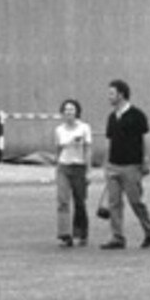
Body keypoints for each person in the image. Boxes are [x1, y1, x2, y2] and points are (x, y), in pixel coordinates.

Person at [101, 79, 150, 250]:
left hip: (131, 166)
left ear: (121, 94)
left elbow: (146, 137)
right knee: (114, 203)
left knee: (135, 201)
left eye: (112, 93)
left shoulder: (137, 115)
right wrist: (105, 163)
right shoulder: (112, 117)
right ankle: (117, 237)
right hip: (113, 165)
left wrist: (147, 159)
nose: (109, 96)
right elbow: (109, 141)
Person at [54, 98, 92, 248]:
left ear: (77, 112)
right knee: (63, 201)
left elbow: (88, 149)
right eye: (66, 110)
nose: (69, 112)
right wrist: (56, 167)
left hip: (79, 167)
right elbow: (57, 150)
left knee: (80, 202)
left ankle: (81, 232)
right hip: (64, 167)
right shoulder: (59, 130)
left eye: (72, 109)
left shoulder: (84, 128)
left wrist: (88, 170)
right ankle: (65, 234)